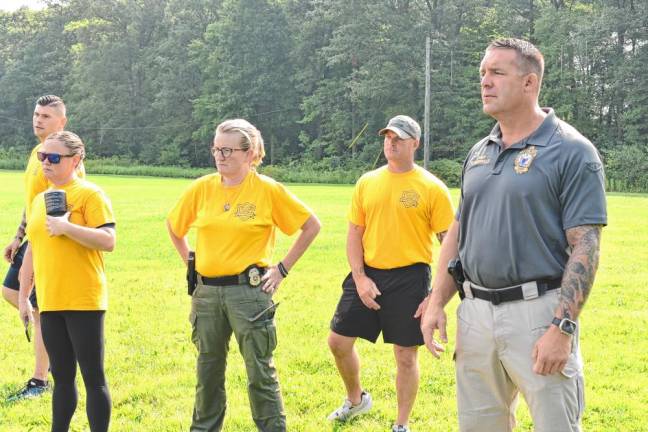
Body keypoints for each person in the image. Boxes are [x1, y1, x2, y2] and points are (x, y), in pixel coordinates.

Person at [421, 38, 607, 432]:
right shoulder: (479, 152)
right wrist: (437, 300)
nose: (485, 82)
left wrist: (563, 327)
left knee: (555, 424)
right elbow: (459, 229)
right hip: (475, 314)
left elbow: (585, 244)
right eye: (482, 74)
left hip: (539, 313)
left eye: (497, 73)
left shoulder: (571, 150)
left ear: (529, 83)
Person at [167, 118, 321, 432]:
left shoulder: (266, 189)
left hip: (249, 294)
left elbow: (311, 226)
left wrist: (281, 269)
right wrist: (191, 264)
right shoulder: (202, 188)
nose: (220, 156)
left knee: (259, 373)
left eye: (228, 150)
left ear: (249, 154)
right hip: (207, 294)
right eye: (216, 149)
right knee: (208, 371)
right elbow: (175, 226)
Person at [327, 115, 454, 432]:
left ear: (415, 143)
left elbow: (448, 246)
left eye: (399, 137)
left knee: (406, 356)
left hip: (410, 278)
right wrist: (359, 277)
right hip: (368, 274)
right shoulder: (367, 182)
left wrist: (434, 295)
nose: (391, 142)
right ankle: (356, 401)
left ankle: (401, 425)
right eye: (387, 136)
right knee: (338, 341)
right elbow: (355, 233)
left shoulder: (431, 188)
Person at [18, 131, 115, 432]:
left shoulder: (90, 194)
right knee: (61, 377)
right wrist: (24, 297)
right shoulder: (39, 200)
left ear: (76, 160)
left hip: (84, 298)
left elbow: (108, 240)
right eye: (42, 156)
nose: (46, 162)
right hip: (50, 300)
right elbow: (32, 250)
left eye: (54, 157)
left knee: (92, 377)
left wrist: (67, 227)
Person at [3, 95, 85, 402]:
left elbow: (73, 200)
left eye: (47, 116)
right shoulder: (38, 152)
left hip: (50, 241)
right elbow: (32, 203)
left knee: (40, 307)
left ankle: (40, 380)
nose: (39, 120)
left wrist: (51, 244)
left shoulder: (63, 155)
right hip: (33, 237)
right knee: (13, 293)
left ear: (62, 122)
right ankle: (56, 345)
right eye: (37, 114)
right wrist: (18, 236)